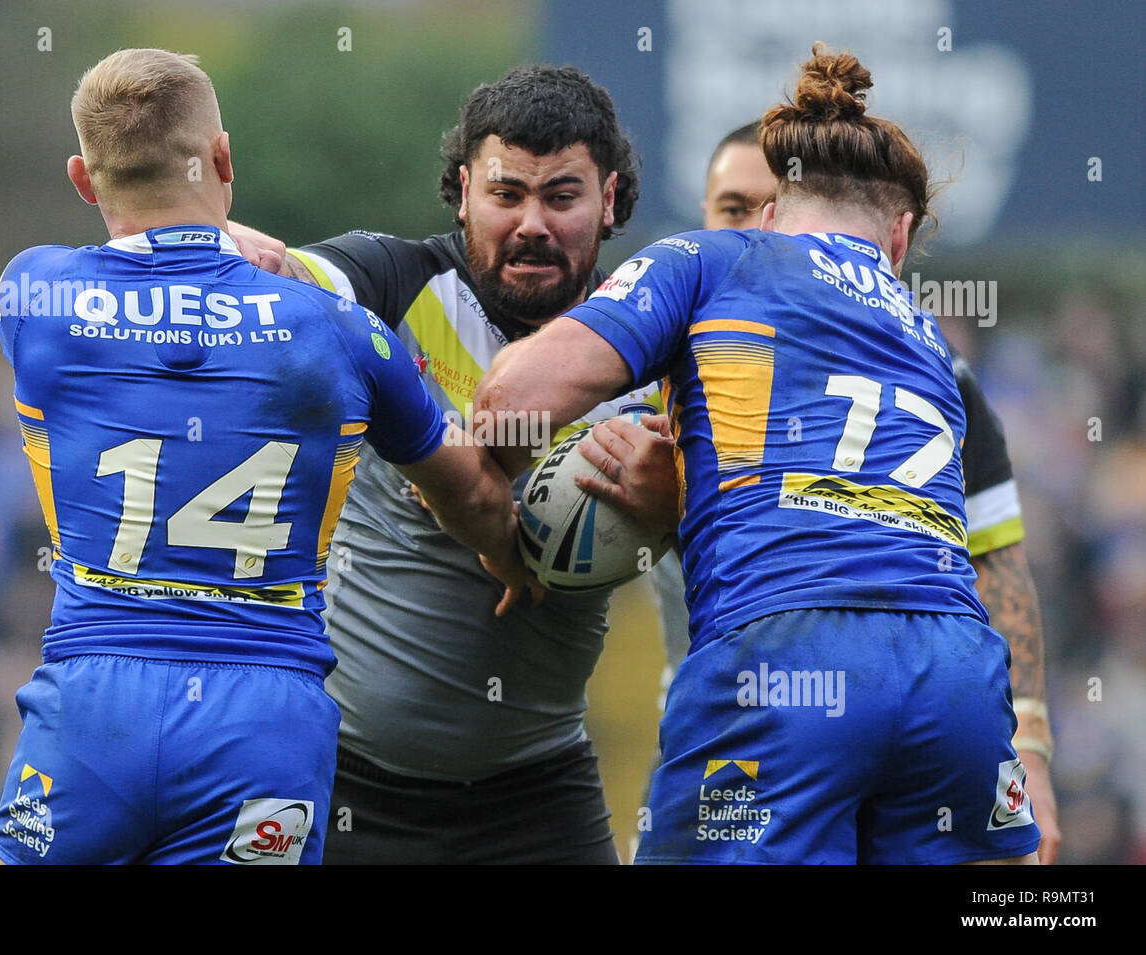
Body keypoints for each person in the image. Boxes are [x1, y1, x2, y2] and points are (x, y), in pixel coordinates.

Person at [476, 44, 1043, 864]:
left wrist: (504, 501)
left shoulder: (714, 260)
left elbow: (508, 403)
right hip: (956, 673)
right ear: (900, 234)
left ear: (774, 212)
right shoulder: (929, 338)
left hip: (784, 663)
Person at [0, 48, 519, 865]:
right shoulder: (343, 332)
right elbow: (474, 495)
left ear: (83, 181)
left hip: (93, 710)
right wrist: (517, 554)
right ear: (224, 158)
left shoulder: (33, 296)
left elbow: (157, 272)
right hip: (263, 723)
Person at [232, 65, 660, 864]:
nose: (532, 222)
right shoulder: (395, 284)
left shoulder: (649, 342)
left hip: (537, 797)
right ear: (463, 192)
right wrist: (227, 243)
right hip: (339, 778)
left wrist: (668, 497)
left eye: (561, 197)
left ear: (608, 201)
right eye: (506, 194)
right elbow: (279, 279)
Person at [609, 117, 1060, 863]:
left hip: (818, 708)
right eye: (730, 211)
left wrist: (1033, 748)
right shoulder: (655, 346)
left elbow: (1001, 561)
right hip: (721, 718)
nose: (760, 236)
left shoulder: (944, 377)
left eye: (766, 210)